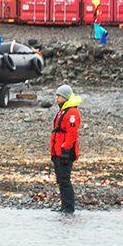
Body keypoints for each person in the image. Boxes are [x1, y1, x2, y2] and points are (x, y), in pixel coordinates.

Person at [49, 83, 81, 214]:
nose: (56, 98)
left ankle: (68, 208)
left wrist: (65, 151)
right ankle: (64, 206)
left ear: (66, 97)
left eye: (59, 96)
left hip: (64, 151)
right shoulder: (63, 110)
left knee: (65, 180)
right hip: (58, 150)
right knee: (60, 180)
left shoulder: (72, 113)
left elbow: (72, 133)